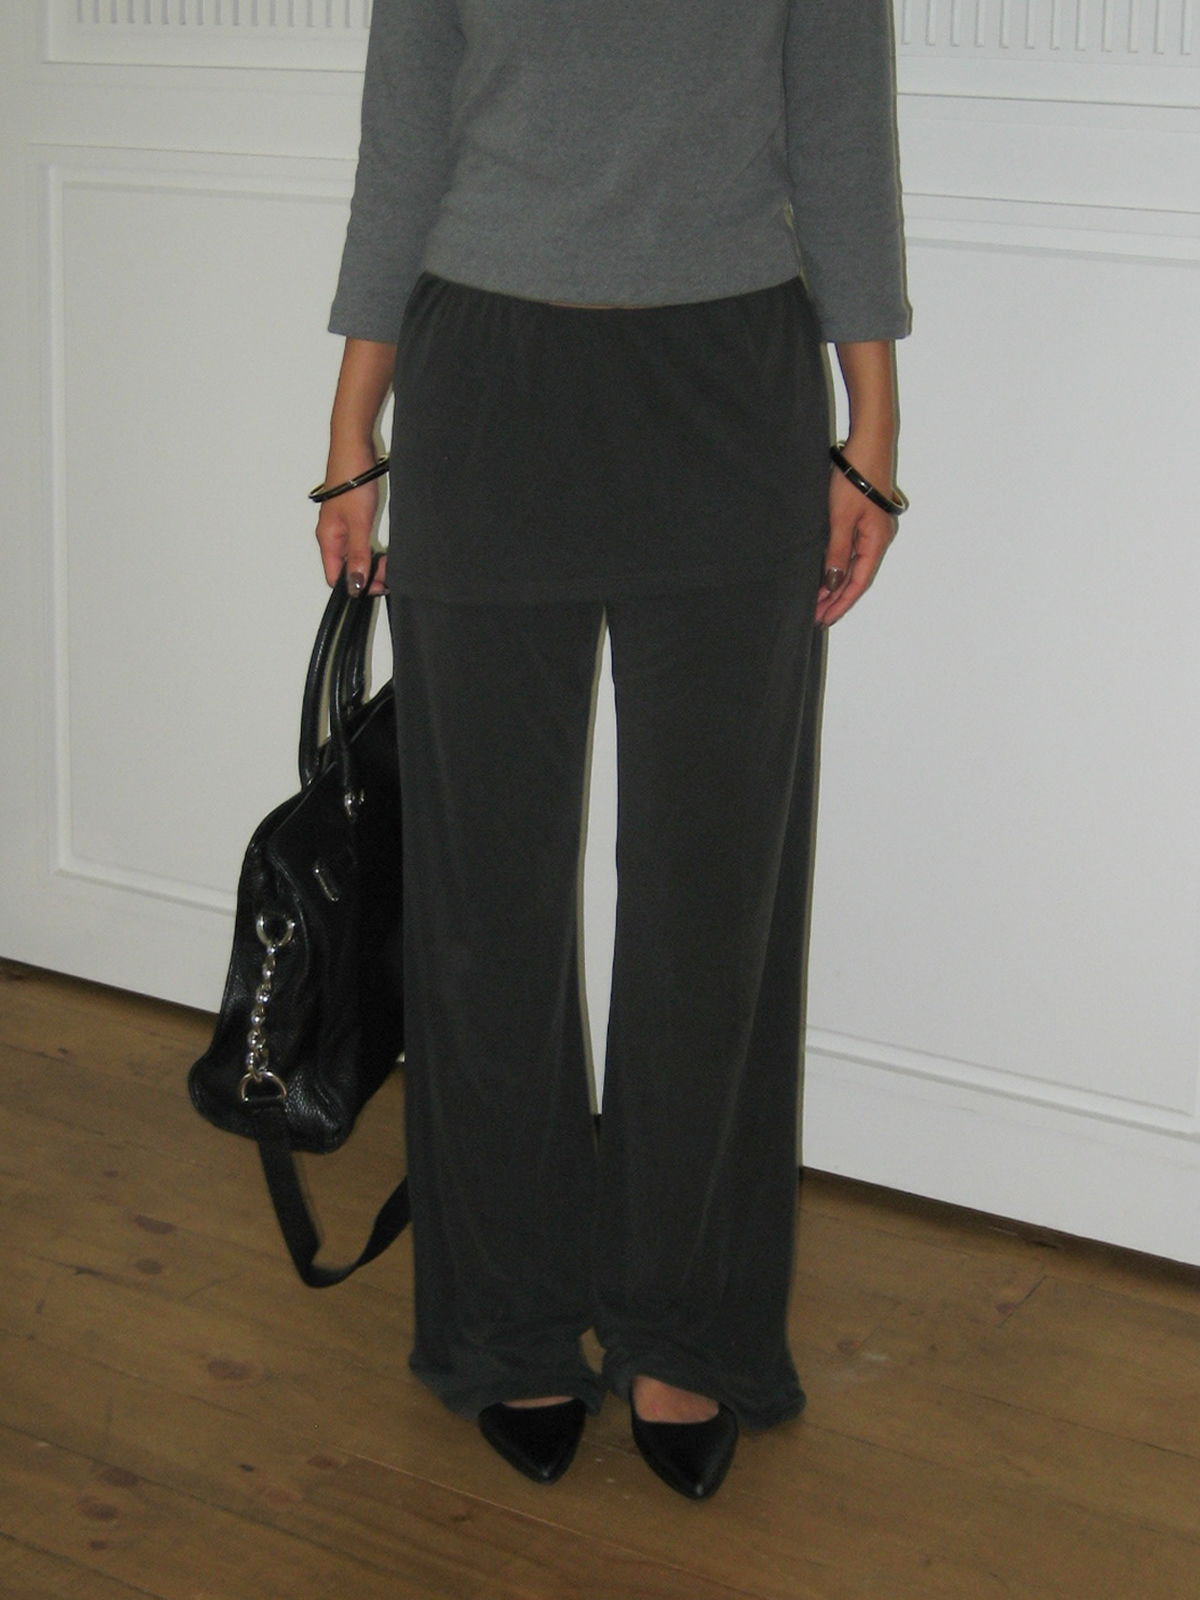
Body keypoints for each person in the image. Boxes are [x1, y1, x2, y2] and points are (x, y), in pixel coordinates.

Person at [313, 0, 910, 1501]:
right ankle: (506, 1315)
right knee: (487, 897)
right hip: (486, 383)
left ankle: (685, 1324)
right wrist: (351, 437)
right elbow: (403, 150)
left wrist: (872, 436)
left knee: (713, 895)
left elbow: (843, 141)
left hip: (729, 384)